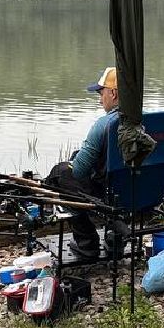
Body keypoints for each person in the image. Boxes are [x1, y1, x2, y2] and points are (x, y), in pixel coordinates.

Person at [43, 66, 121, 260]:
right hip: (140, 191)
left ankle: (87, 243)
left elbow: (78, 170)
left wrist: (70, 164)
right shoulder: (147, 119)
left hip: (108, 194)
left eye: (101, 92)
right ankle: (115, 240)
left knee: (59, 174)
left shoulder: (105, 124)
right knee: (79, 155)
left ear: (113, 93)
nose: (99, 97)